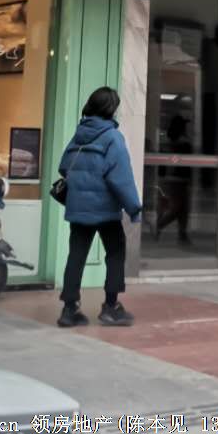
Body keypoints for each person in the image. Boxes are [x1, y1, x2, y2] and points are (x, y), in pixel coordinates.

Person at [57, 86, 142, 328]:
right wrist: (134, 207)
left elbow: (64, 166)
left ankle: (69, 309)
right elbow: (121, 178)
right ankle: (111, 307)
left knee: (76, 255)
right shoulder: (113, 137)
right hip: (105, 210)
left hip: (78, 208)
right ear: (111, 109)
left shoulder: (79, 133)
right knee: (115, 253)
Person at [155, 115, 193, 246]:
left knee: (183, 208)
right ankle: (159, 226)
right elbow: (187, 164)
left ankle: (182, 235)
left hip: (170, 179)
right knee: (179, 209)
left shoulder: (168, 141)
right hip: (179, 181)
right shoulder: (183, 143)